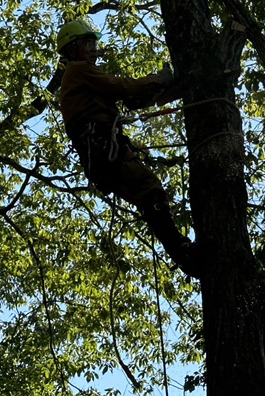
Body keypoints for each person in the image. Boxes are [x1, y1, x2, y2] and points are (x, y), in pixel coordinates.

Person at [56, 19, 200, 278]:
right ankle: (183, 252)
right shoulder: (78, 70)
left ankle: (184, 254)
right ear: (72, 49)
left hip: (100, 155)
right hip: (103, 148)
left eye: (94, 43)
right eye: (87, 43)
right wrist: (159, 79)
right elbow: (119, 86)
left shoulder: (82, 80)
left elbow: (125, 97)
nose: (93, 48)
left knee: (147, 197)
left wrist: (154, 91)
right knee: (149, 188)